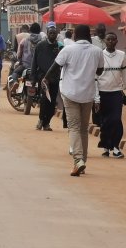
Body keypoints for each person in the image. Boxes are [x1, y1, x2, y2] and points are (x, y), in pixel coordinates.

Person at [42, 24, 104, 177]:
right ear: (89, 35)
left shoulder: (68, 50)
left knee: (74, 127)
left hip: (70, 93)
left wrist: (45, 79)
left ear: (75, 35)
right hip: (88, 94)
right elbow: (100, 71)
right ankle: (82, 159)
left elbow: (55, 67)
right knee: (83, 128)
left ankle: (78, 160)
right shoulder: (97, 51)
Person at [97, 31, 126, 158]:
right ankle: (106, 147)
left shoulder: (122, 55)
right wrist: (95, 95)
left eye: (113, 39)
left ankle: (115, 146)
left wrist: (124, 89)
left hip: (116, 92)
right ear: (104, 41)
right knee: (105, 121)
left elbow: (124, 74)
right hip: (102, 92)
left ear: (116, 41)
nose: (110, 42)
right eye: (108, 39)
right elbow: (95, 76)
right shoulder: (99, 55)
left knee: (116, 120)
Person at [32, 22, 62, 131]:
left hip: (55, 78)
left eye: (54, 33)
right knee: (44, 99)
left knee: (52, 101)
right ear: (47, 34)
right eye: (51, 33)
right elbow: (34, 61)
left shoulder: (59, 47)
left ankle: (47, 123)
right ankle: (41, 120)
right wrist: (33, 77)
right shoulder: (40, 45)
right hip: (43, 77)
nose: (52, 35)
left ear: (57, 34)